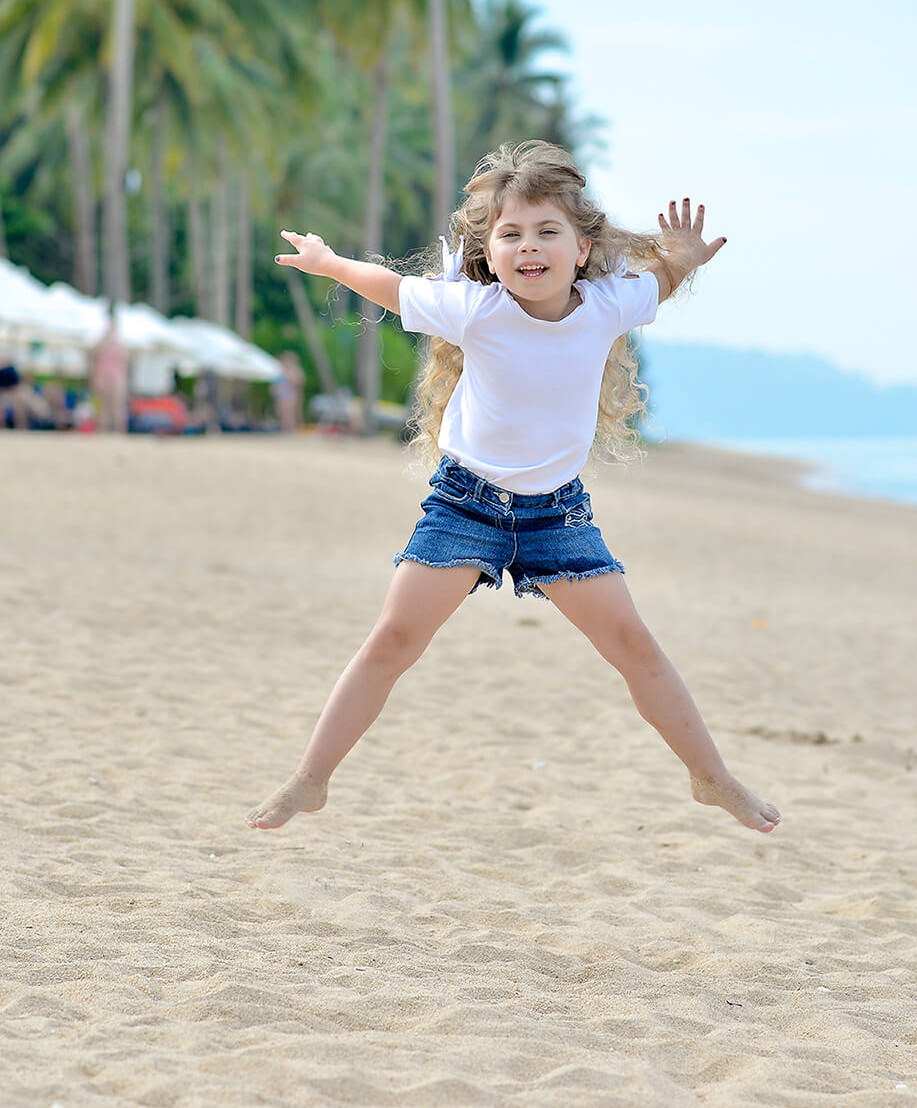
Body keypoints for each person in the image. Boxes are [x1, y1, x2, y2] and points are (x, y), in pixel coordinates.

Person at [246, 140, 779, 834]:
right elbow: (388, 287)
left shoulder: (607, 306)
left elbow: (663, 281)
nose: (529, 247)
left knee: (634, 645)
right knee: (393, 639)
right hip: (466, 503)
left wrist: (683, 254)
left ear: (582, 250)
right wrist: (327, 263)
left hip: (558, 514)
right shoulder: (475, 310)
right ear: (490, 254)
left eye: (547, 232)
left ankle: (712, 778)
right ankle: (309, 780)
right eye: (511, 235)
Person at [88, 309, 129, 435]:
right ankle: (102, 431)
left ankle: (119, 431)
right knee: (103, 406)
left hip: (115, 375)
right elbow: (93, 355)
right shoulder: (102, 341)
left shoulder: (120, 342)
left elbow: (126, 359)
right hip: (104, 375)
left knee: (117, 405)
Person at [273, 351, 304, 433]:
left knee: (291, 413)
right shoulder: (280, 371)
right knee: (282, 413)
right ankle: (285, 429)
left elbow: (298, 383)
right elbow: (276, 384)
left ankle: (292, 430)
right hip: (282, 395)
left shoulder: (295, 371)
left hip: (290, 395)